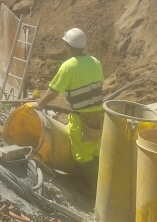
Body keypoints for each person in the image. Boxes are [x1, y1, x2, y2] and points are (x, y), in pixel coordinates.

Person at [33, 27, 104, 192]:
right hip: (98, 116)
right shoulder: (95, 62)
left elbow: (53, 91)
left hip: (81, 118)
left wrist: (39, 105)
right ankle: (100, 182)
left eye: (65, 44)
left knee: (81, 154)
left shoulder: (68, 66)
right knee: (95, 150)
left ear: (68, 46)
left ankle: (97, 192)